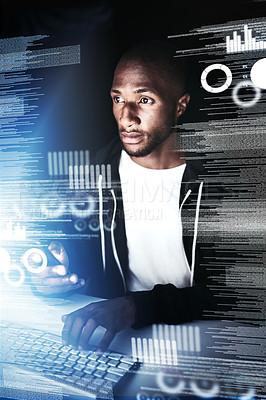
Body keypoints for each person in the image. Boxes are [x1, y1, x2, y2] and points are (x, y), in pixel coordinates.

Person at [30, 40, 219, 351]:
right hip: (120, 342)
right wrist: (57, 278)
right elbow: (83, 268)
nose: (126, 117)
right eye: (118, 98)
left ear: (180, 105)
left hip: (205, 343)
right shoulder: (93, 175)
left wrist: (136, 307)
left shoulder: (222, 178)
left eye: (144, 99)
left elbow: (236, 294)